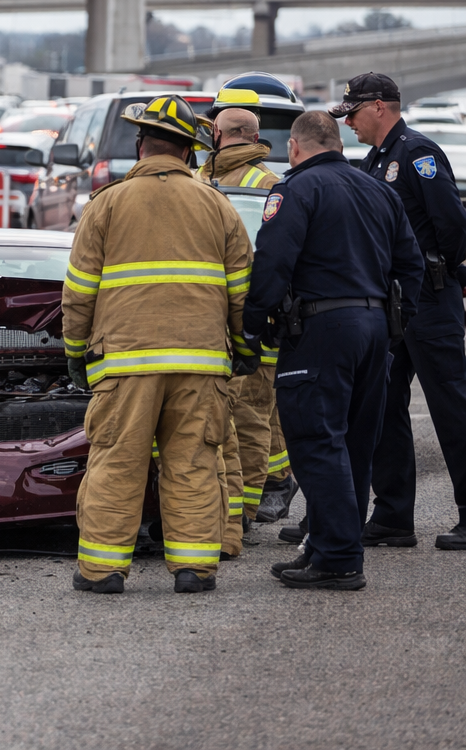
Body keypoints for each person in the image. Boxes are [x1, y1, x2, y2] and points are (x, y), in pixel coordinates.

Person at [63, 94, 254, 595]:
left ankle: (102, 571)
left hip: (125, 364)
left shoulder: (107, 203)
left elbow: (79, 291)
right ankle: (194, 569)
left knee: (117, 462)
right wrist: (245, 346)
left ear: (139, 145)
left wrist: (74, 350)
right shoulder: (217, 205)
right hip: (202, 362)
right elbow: (241, 292)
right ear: (191, 152)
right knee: (192, 463)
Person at [245, 111, 423, 590]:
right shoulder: (379, 190)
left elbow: (274, 261)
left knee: (315, 441)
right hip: (373, 330)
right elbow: (412, 264)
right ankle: (324, 547)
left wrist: (252, 323)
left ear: (295, 149)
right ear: (338, 144)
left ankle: (340, 558)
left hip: (321, 328)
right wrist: (396, 326)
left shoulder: (296, 190)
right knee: (355, 444)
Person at [335, 73, 466, 551]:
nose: (348, 121)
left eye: (352, 112)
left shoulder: (417, 153)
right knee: (385, 406)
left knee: (452, 405)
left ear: (378, 107)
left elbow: (451, 224)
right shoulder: (375, 160)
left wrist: (438, 272)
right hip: (395, 302)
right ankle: (392, 515)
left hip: (429, 297)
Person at [196, 97, 290, 540]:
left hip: (226, 313)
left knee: (248, 417)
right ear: (256, 138)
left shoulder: (203, 180)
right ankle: (245, 507)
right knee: (249, 417)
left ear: (219, 133)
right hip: (249, 315)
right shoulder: (268, 183)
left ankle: (243, 512)